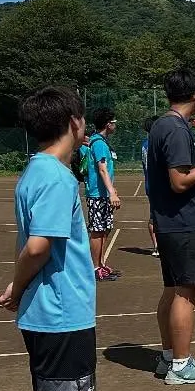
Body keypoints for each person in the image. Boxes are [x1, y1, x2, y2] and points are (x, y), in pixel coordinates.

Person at [0, 86, 101, 391]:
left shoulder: (35, 171)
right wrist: (18, 287)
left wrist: (17, 287)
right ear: (74, 123)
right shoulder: (57, 178)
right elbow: (39, 246)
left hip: (47, 309)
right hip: (60, 311)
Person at [145, 67, 195, 385]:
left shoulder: (161, 125)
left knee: (173, 289)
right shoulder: (176, 129)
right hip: (183, 222)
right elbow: (179, 181)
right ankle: (180, 365)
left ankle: (170, 356)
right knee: (186, 292)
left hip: (169, 221)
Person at [83, 109, 121, 282]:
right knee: (98, 231)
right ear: (108, 124)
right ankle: (95, 268)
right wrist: (111, 192)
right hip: (97, 195)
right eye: (114, 122)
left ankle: (101, 264)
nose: (115, 125)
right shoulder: (99, 143)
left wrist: (111, 190)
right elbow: (102, 169)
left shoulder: (100, 142)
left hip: (103, 194)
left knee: (105, 229)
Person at [140, 117, 159, 257]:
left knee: (154, 215)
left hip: (150, 185)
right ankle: (159, 246)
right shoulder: (155, 144)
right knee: (159, 216)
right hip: (157, 185)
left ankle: (157, 246)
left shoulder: (145, 144)